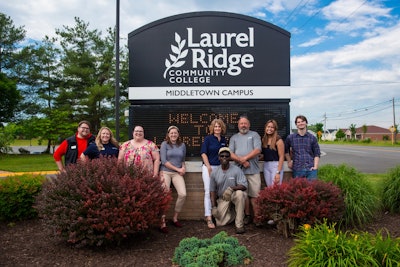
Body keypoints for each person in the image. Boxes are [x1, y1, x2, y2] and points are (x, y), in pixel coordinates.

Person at [228, 115, 262, 225]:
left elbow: (257, 150)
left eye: (245, 123)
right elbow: (230, 154)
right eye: (241, 123)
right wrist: (242, 161)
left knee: (255, 195)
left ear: (249, 124)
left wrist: (245, 158)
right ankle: (247, 216)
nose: (243, 125)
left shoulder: (254, 135)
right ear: (238, 125)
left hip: (253, 171)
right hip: (239, 173)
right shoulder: (234, 138)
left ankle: (257, 218)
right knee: (244, 196)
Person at [210, 147, 248, 234]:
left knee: (240, 194)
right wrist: (214, 207)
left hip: (234, 195)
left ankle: (239, 225)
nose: (224, 158)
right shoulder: (214, 172)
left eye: (226, 156)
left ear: (230, 158)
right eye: (222, 156)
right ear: (219, 157)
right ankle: (235, 213)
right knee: (220, 223)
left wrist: (231, 188)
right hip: (223, 198)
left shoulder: (236, 170)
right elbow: (212, 191)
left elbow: (244, 186)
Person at [200, 118, 227, 229]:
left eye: (219, 126)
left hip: (220, 168)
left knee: (219, 192)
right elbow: (203, 153)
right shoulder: (208, 139)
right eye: (215, 126)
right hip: (208, 168)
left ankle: (218, 216)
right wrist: (208, 166)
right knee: (208, 192)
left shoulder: (224, 140)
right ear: (212, 128)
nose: (217, 128)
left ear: (222, 128)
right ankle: (209, 217)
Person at [159, 126, 187, 233]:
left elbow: (183, 160)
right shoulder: (164, 144)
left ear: (178, 134)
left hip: (177, 174)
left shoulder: (182, 145)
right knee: (165, 195)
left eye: (175, 133)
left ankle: (175, 217)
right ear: (168, 134)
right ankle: (162, 221)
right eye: (171, 133)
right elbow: (164, 161)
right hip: (165, 172)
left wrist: (183, 168)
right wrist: (178, 169)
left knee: (183, 194)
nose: (173, 135)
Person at [285, 115, 321, 180]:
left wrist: (315, 167)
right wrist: (289, 161)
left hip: (311, 169)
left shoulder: (312, 138)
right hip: (297, 169)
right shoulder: (290, 138)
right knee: (298, 189)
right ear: (296, 124)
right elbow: (285, 150)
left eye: (302, 121)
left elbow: (317, 153)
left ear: (306, 123)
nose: (300, 123)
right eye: (298, 122)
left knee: (312, 189)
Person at [261, 119, 285, 186]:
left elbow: (282, 156)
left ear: (275, 129)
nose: (269, 129)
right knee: (269, 188)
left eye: (272, 127)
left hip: (276, 165)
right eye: (268, 127)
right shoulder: (264, 140)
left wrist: (278, 172)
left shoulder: (278, 140)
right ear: (265, 128)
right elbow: (265, 154)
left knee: (276, 188)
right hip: (266, 165)